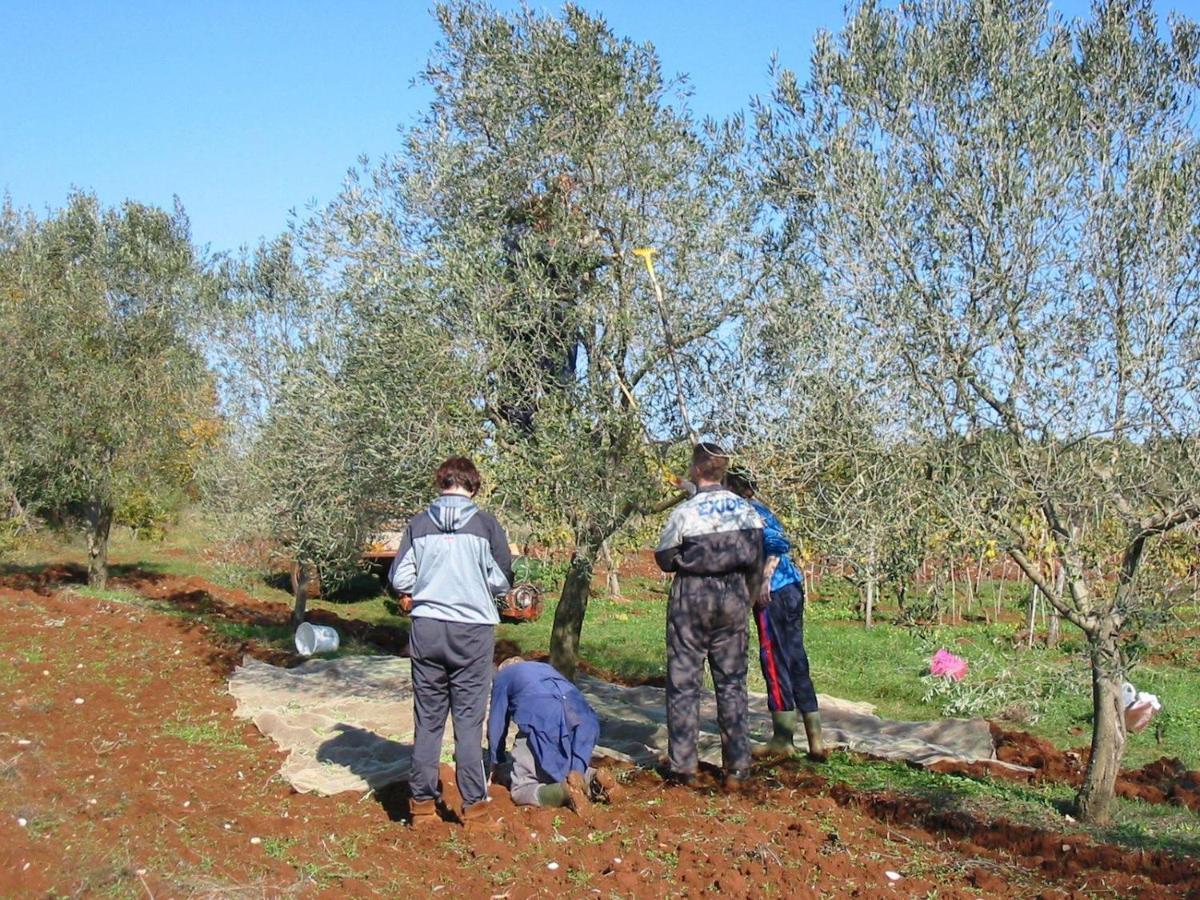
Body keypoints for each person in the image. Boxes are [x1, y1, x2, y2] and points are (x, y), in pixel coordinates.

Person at [389, 457, 513, 828]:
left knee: (427, 720)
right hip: (472, 632)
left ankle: (422, 805)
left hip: (427, 628)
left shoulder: (418, 523)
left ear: (440, 483)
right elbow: (501, 579)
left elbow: (400, 578)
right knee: (469, 720)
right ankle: (473, 806)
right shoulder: (486, 524)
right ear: (473, 486)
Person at [654, 442, 764, 790]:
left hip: (692, 598)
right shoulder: (747, 513)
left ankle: (683, 768)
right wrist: (745, 599)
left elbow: (664, 558)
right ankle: (737, 767)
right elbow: (757, 562)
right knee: (732, 682)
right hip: (733, 599)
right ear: (723, 472)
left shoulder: (685, 514)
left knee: (684, 683)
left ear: (696, 470)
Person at [725, 466, 826, 761]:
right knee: (796, 658)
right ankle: (815, 741)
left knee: (773, 659)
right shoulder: (761, 509)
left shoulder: (747, 512)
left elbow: (779, 545)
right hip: (792, 588)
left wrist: (765, 579)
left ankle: (783, 740)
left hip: (775, 593)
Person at [486, 657, 620, 809]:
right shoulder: (545, 668)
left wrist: (495, 762)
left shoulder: (504, 675)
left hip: (542, 715)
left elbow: (496, 723)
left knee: (521, 789)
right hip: (582, 714)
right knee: (571, 768)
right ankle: (595, 780)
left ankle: (564, 791)